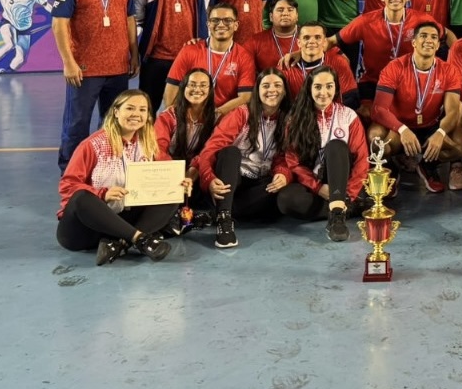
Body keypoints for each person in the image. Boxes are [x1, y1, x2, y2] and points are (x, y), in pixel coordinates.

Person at [57, 90, 186, 264]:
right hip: (85, 230)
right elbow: (68, 185)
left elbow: (167, 170)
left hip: (123, 221)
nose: (136, 114)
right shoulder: (92, 145)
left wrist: (180, 181)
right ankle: (141, 240)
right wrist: (103, 193)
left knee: (174, 191)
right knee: (81, 197)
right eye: (130, 108)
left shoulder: (148, 143)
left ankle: (119, 243)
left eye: (142, 110)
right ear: (116, 112)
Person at [53, 0, 139, 171]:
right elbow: (59, 23)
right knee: (76, 124)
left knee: (112, 123)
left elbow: (130, 18)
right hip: (84, 69)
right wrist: (68, 62)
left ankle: (105, 170)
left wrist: (134, 53)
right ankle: (71, 174)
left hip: (118, 68)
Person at [194, 69, 300, 248]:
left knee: (282, 195)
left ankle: (222, 209)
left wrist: (283, 174)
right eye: (265, 85)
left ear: (284, 91)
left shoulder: (289, 119)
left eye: (277, 85)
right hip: (233, 179)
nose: (271, 90)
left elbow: (286, 156)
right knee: (230, 152)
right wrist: (209, 179)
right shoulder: (241, 113)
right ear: (257, 90)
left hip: (260, 181)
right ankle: (224, 220)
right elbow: (211, 149)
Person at [371, 22, 462, 193]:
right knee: (378, 143)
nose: (428, 40)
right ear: (414, 42)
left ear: (438, 45)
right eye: (423, 36)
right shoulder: (395, 67)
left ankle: (427, 165)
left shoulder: (449, 70)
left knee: (460, 148)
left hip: (430, 125)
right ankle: (392, 168)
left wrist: (440, 133)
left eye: (434, 37)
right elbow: (378, 109)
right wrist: (402, 129)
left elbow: (453, 111)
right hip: (400, 126)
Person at [284, 65, 370, 241]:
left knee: (336, 146)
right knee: (285, 200)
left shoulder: (348, 116)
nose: (324, 92)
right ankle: (348, 207)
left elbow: (362, 160)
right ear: (309, 89)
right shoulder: (296, 119)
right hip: (316, 184)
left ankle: (338, 214)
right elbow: (293, 161)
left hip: (343, 182)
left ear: (336, 88)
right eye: (318, 87)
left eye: (329, 86)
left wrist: (349, 193)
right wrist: (317, 187)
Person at [333, 0, 442, 113]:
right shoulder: (366, 21)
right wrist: (302, 52)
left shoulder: (421, 20)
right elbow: (332, 41)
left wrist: (455, 55)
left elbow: (445, 34)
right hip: (374, 81)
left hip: (409, 82)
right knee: (368, 115)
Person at [154, 68, 218, 234]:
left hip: (196, 172)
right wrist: (176, 174)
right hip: (169, 171)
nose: (197, 89)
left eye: (203, 85)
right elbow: (158, 149)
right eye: (192, 85)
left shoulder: (216, 118)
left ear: (210, 91)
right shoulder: (168, 116)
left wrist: (192, 172)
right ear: (183, 88)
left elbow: (209, 151)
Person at [163, 3, 256, 116]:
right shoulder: (189, 51)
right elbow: (171, 92)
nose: (221, 24)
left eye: (227, 20)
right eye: (215, 20)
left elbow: (245, 97)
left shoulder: (244, 57)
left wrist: (216, 114)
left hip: (224, 117)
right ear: (208, 24)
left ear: (236, 25)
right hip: (189, 116)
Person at [283, 21, 359, 109]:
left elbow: (351, 99)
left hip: (332, 117)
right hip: (298, 118)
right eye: (306, 38)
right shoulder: (286, 66)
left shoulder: (338, 62)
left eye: (317, 37)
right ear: (299, 43)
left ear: (324, 42)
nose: (312, 41)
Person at [243, 0, 299, 72]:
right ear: (271, 17)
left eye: (290, 10)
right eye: (280, 10)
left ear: (297, 16)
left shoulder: (309, 38)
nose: (285, 13)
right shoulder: (255, 41)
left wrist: (304, 53)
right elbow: (244, 71)